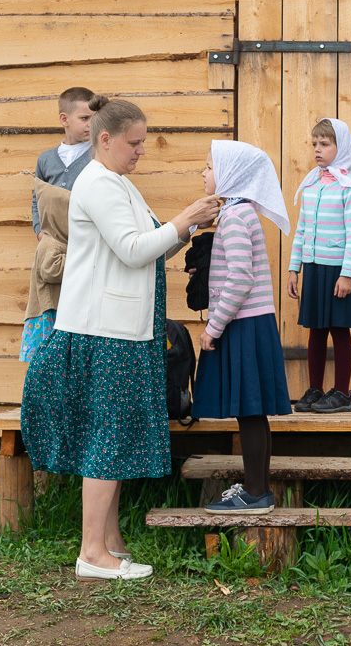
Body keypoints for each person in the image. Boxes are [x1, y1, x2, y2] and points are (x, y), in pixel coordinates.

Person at [21, 96, 221, 580]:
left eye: (143, 143)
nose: (141, 151)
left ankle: (110, 541)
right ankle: (92, 553)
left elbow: (151, 245)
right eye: (134, 143)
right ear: (104, 139)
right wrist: (184, 217)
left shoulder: (118, 183)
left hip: (120, 330)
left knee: (106, 437)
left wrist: (188, 225)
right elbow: (134, 251)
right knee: (105, 440)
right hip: (104, 331)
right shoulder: (99, 184)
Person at [191, 140, 292, 514]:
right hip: (254, 321)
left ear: (231, 174)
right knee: (254, 411)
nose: (204, 173)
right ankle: (258, 489)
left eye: (209, 166)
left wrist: (212, 328)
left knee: (249, 410)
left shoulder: (234, 217)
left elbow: (239, 279)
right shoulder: (242, 212)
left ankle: (254, 493)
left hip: (241, 324)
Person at [286, 118, 351, 414]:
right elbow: (302, 230)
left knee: (339, 329)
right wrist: (295, 268)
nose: (317, 150)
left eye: (325, 144)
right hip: (314, 270)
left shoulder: (349, 187)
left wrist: (347, 274)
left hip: (337, 272)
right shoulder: (312, 185)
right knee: (315, 331)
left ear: (340, 147)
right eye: (314, 144)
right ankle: (315, 389)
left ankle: (342, 393)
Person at [32, 86, 95, 240]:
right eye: (85, 118)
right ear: (64, 119)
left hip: (87, 243)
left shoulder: (99, 156)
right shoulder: (46, 159)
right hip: (51, 244)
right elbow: (37, 199)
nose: (91, 124)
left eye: (95, 118)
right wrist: (40, 232)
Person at [19, 179, 69, 362]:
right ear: (58, 218)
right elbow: (51, 270)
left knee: (49, 362)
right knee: (46, 361)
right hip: (45, 314)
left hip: (49, 312)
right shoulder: (51, 243)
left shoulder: (58, 241)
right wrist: (79, 259)